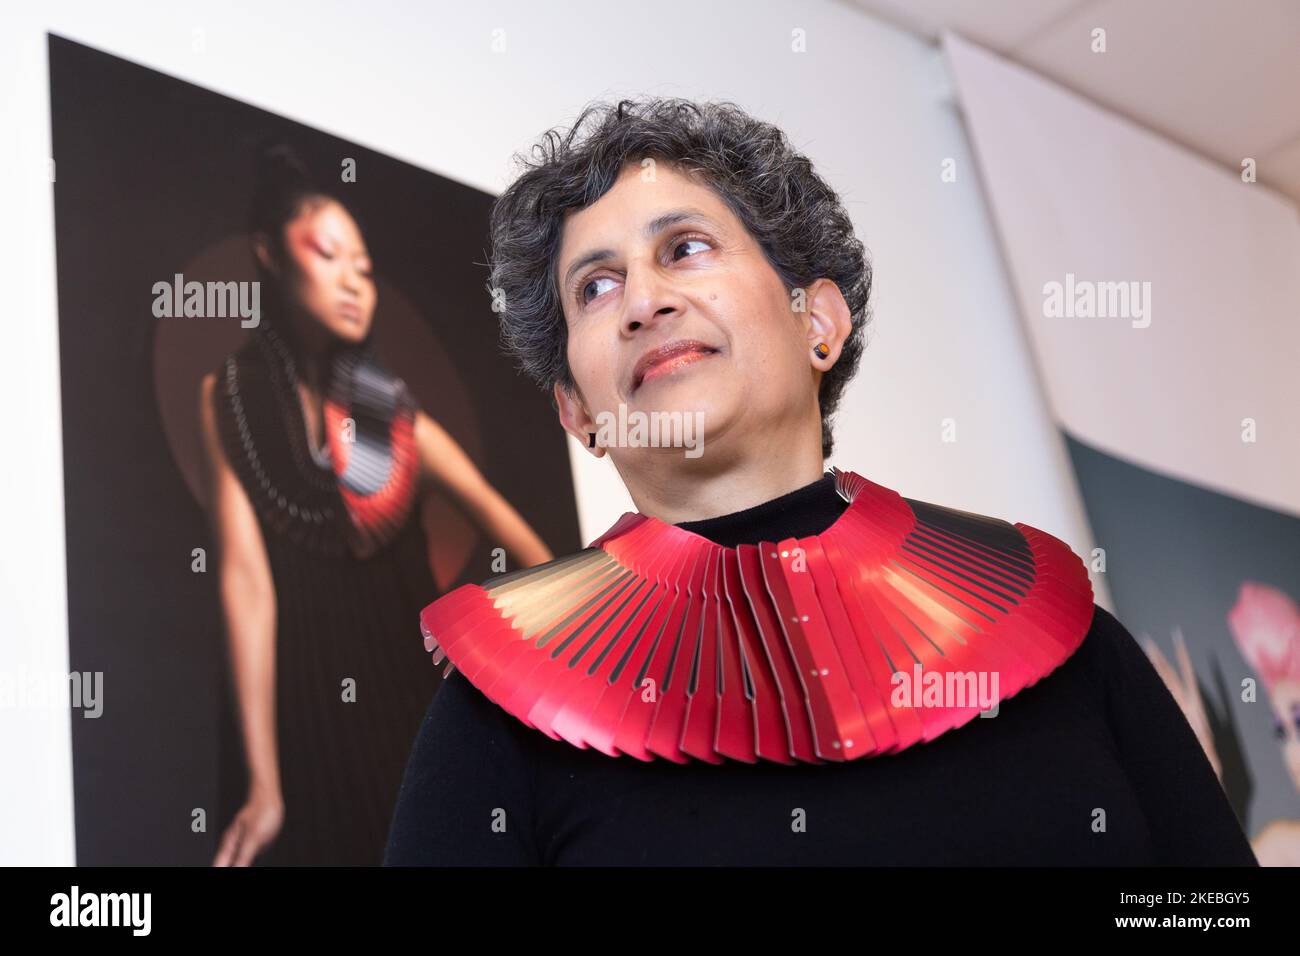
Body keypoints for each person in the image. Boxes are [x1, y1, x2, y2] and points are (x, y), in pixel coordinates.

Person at [383, 98, 1257, 865]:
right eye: (596, 287)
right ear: (576, 410)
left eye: (685, 249)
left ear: (819, 322)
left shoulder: (1063, 644)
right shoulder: (502, 714)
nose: (644, 302)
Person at [198, 142, 552, 866]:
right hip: (305, 713)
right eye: (328, 256)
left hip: (416, 704)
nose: (355, 282)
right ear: (271, 255)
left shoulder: (397, 418)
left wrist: (521, 671)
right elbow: (246, 583)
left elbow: (530, 551)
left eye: (364, 267)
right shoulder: (229, 397)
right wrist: (264, 785)